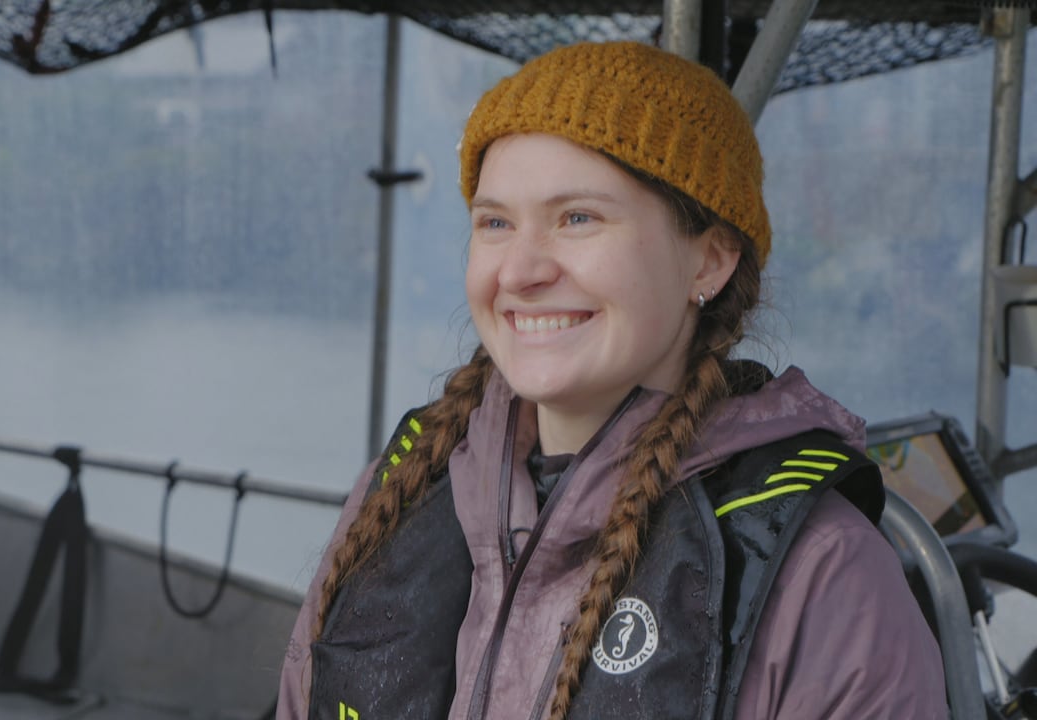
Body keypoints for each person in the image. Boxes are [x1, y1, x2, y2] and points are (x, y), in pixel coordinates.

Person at [278, 41, 946, 719]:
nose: (520, 271)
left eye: (578, 218)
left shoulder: (820, 571)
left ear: (709, 262)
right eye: (496, 222)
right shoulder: (400, 490)